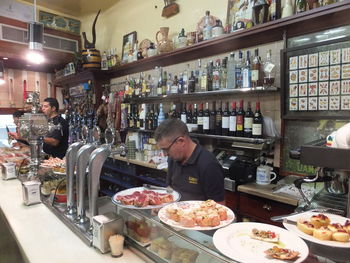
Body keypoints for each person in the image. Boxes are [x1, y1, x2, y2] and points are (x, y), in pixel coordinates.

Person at [154, 118, 225, 204]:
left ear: (181, 141)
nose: (164, 154)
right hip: (174, 214)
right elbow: (170, 188)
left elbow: (219, 207)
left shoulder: (209, 165)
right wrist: (162, 204)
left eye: (166, 149)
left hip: (198, 216)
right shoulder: (173, 158)